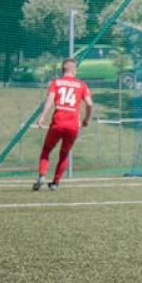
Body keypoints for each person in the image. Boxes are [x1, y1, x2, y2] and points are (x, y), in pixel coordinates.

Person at [33, 58, 94, 191]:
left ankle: (42, 175)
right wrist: (86, 119)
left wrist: (42, 116)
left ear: (62, 69)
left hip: (58, 123)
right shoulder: (81, 85)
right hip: (73, 126)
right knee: (64, 154)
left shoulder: (56, 83)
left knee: (47, 149)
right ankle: (55, 183)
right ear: (74, 70)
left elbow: (49, 100)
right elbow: (89, 103)